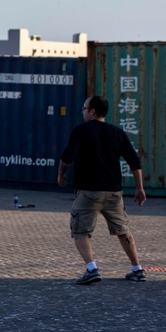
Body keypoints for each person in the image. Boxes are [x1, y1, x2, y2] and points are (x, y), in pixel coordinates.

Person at [58, 95, 147, 285]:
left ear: (92, 111)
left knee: (80, 232)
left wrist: (61, 174)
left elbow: (67, 156)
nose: (82, 111)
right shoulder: (118, 132)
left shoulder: (81, 130)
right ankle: (137, 269)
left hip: (88, 192)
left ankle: (92, 269)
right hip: (114, 192)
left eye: (84, 108)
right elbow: (134, 161)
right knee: (123, 231)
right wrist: (139, 188)